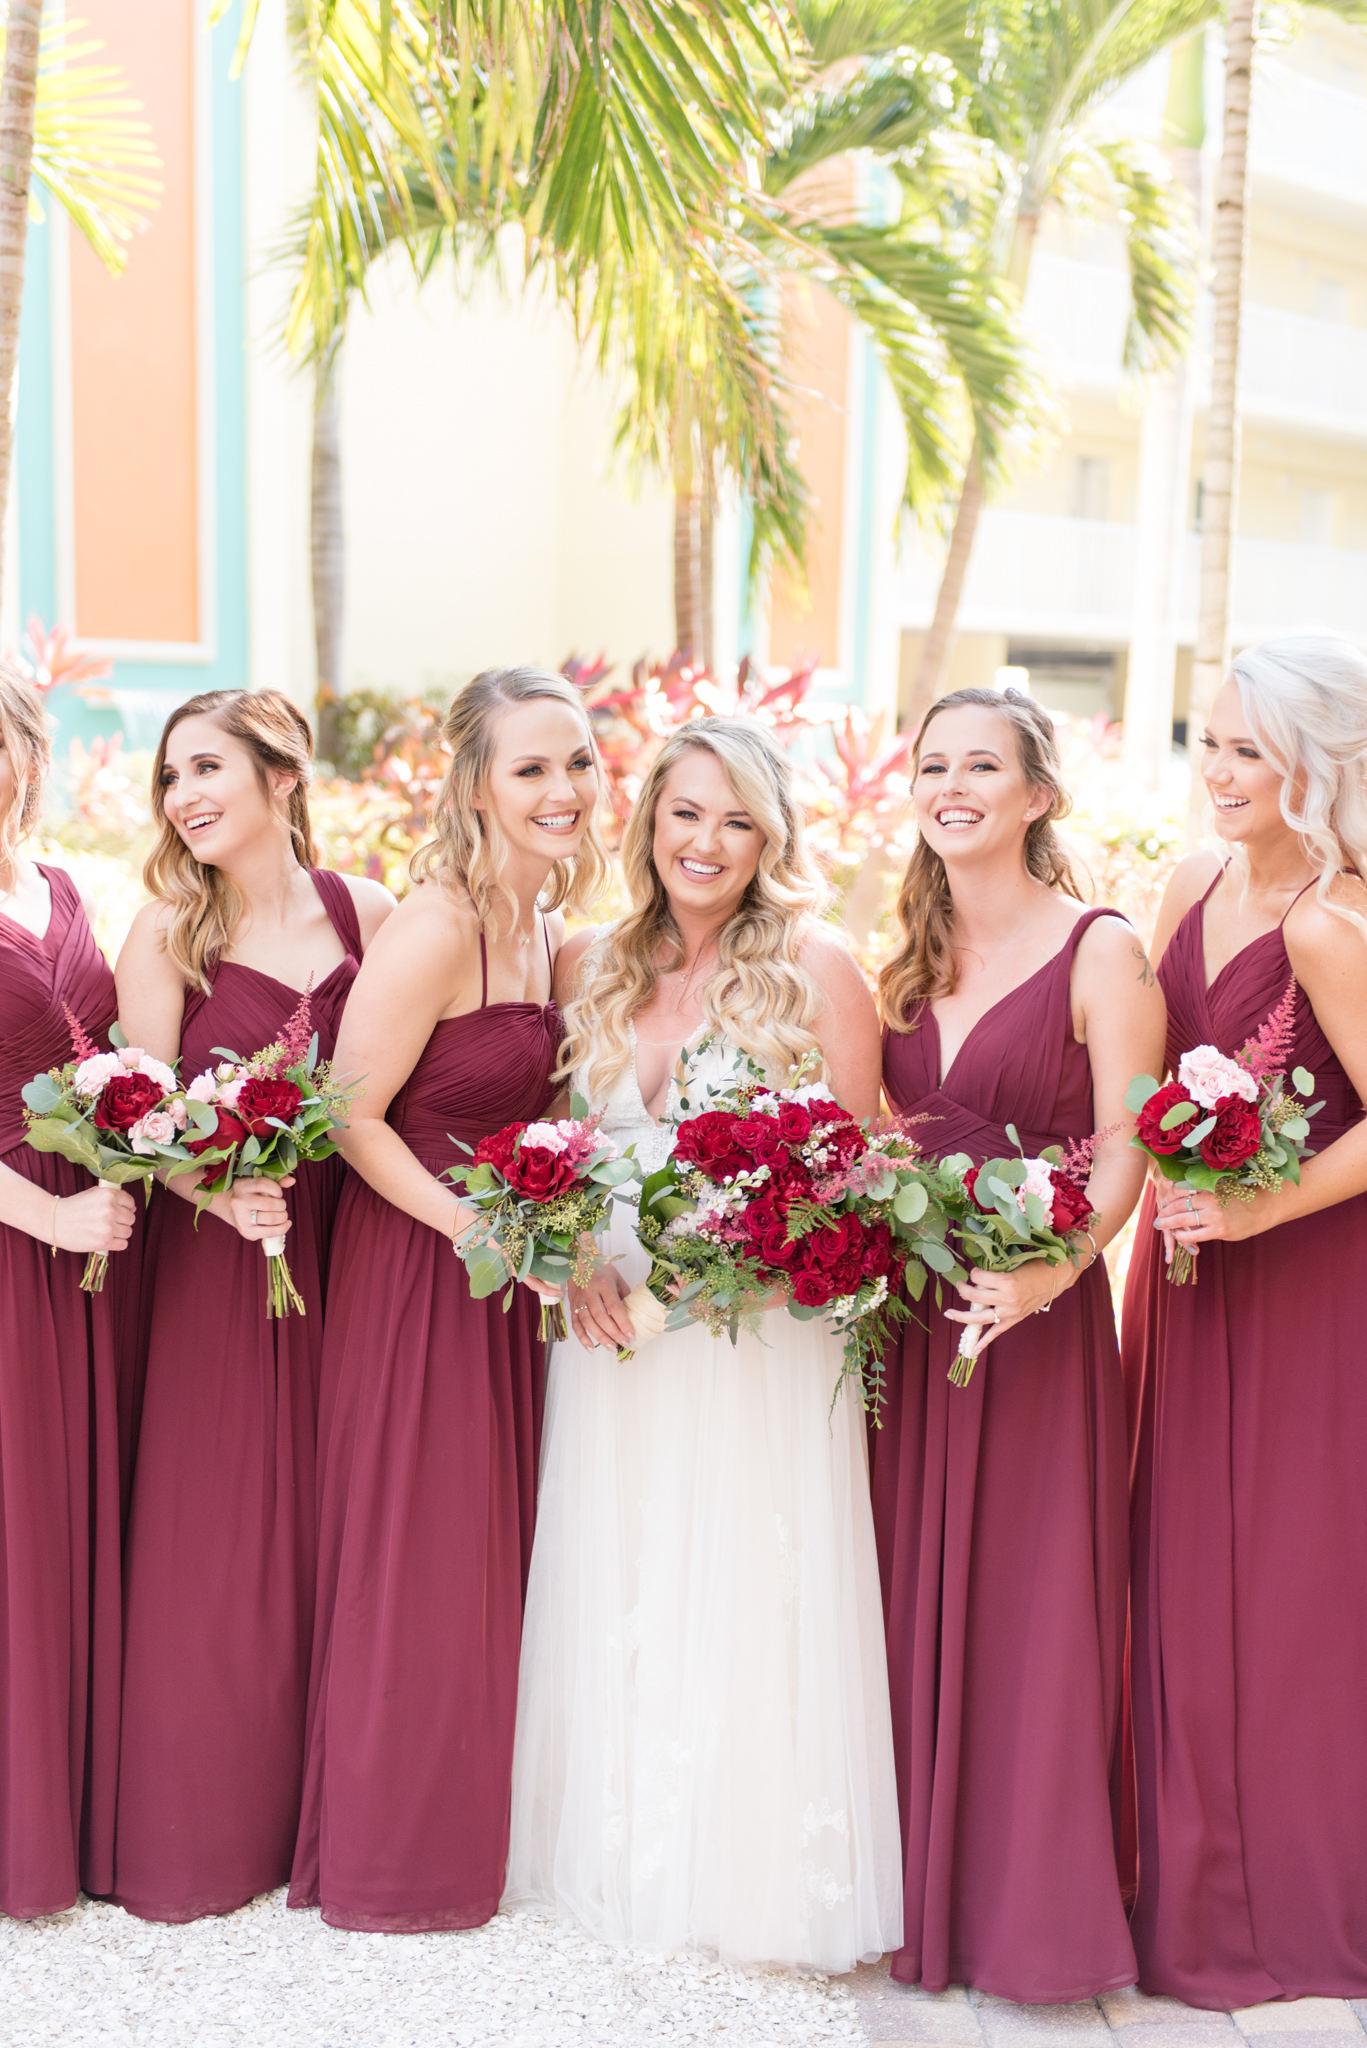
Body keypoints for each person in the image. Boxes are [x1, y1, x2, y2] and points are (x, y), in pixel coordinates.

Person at [504, 716, 903, 1972]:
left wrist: (722, 1271)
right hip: (607, 1322)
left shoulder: (819, 966)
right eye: (685, 811)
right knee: (618, 1560)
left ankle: (750, 1876)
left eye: (736, 819)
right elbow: (545, 1154)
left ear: (769, 834)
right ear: (649, 820)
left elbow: (846, 1175)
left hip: (746, 1333)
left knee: (743, 1565)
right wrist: (562, 1253)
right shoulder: (586, 964)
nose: (707, 841)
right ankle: (623, 1852)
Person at [288, 666, 608, 1932]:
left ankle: (472, 1826)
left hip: (501, 1272)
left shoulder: (547, 926)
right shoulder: (435, 925)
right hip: (421, 1270)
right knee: (415, 1550)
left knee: (484, 1550)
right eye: (530, 767)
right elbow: (346, 1115)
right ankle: (390, 1860)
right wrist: (481, 1226)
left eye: (578, 762)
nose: (562, 789)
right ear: (475, 783)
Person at [872, 685, 1164, 2001]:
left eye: (978, 765)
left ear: (1036, 796)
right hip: (904, 1323)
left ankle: (1025, 1921)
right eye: (931, 764)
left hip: (1031, 1334)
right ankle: (903, 1891)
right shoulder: (903, 957)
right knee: (895, 1598)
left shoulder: (1100, 950)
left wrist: (1048, 1277)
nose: (948, 785)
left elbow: (1126, 1151)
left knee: (1029, 1617)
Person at [111, 689, 394, 1922]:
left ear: (285, 775)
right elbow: (137, 1120)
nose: (184, 796)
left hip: (346, 1249)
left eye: (208, 766)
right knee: (217, 1535)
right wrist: (218, 1197)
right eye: (172, 776)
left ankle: (314, 1816)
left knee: (328, 1527)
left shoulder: (368, 913)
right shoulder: (166, 931)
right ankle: (201, 1830)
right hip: (219, 1263)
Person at [1124, 633, 1367, 2006]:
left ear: (1310, 766)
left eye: (1246, 749)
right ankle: (1183, 1885)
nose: (1217, 771)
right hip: (1181, 1278)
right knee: (1173, 1570)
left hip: (1302, 1286)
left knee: (1285, 1590)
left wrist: (1264, 1212)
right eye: (1206, 741)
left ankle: (1288, 1901)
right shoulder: (1181, 882)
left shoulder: (1330, 923)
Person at [0, 662, 135, 1914]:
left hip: (92, 1248)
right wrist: (49, 1211)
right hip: (16, 1240)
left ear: (27, 755)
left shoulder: (59, 887)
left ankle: (74, 1806)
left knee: (65, 1517)